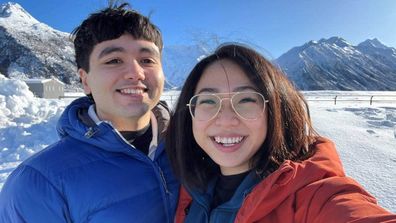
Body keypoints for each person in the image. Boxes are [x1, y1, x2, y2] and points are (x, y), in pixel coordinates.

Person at [166, 43, 396, 223]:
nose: (226, 119)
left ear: (276, 110)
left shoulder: (309, 194)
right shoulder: (188, 185)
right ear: (190, 113)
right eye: (208, 100)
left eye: (246, 99)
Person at [0, 3, 178, 223]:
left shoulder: (194, 149)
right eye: (114, 60)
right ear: (85, 80)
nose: (136, 73)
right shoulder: (38, 184)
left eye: (147, 60)